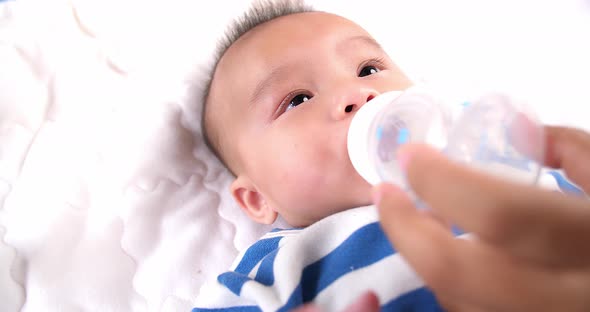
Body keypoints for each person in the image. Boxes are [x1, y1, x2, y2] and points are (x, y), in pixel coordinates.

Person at [194, 0, 590, 310]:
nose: (359, 94)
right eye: (298, 99)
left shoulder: (500, 166)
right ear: (258, 198)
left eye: (368, 69)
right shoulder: (278, 265)